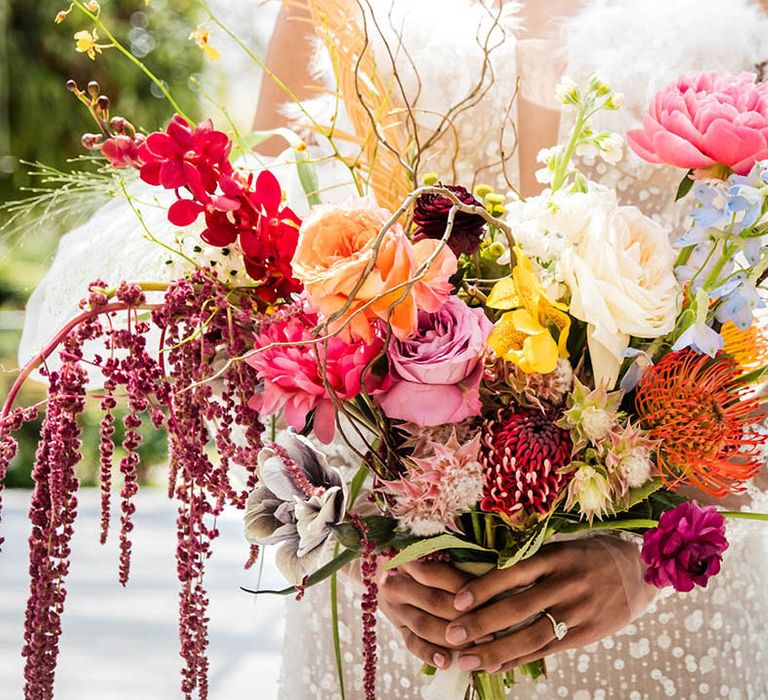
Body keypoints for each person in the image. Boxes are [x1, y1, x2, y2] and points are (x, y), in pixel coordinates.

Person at [252, 2, 768, 698]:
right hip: (403, 600)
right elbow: (268, 278)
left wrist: (652, 555)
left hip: (665, 595)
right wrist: (362, 543)